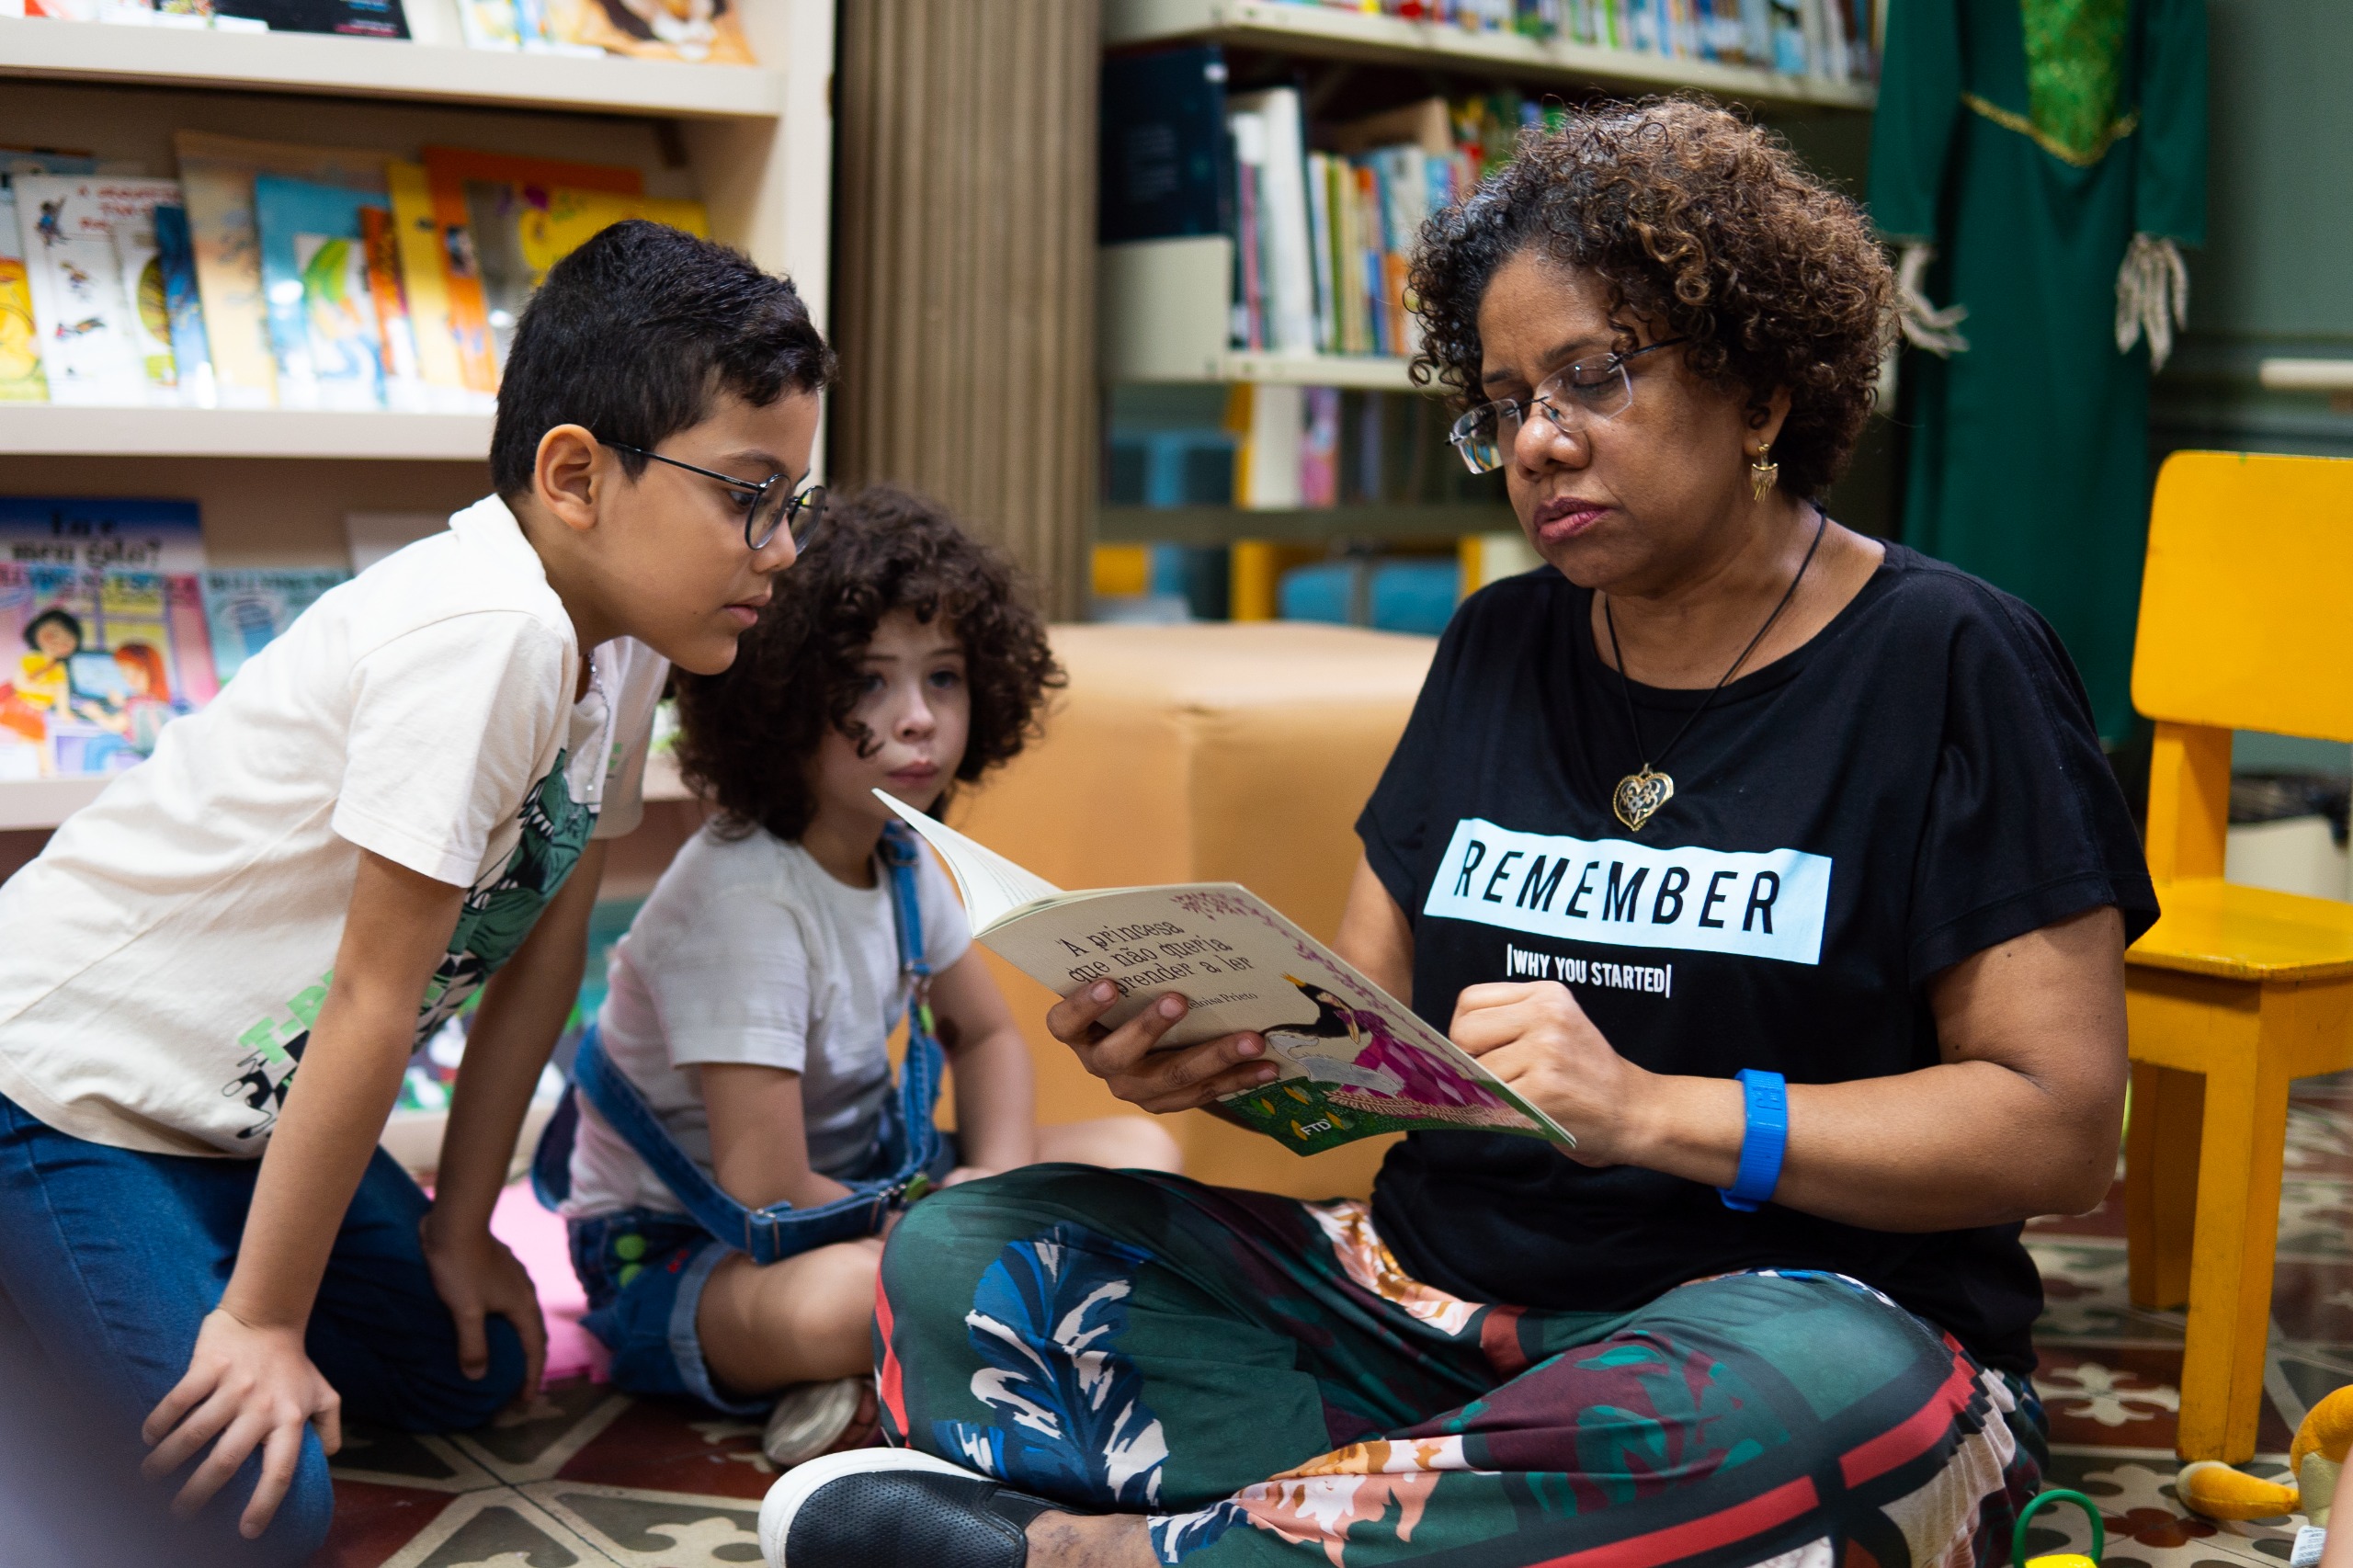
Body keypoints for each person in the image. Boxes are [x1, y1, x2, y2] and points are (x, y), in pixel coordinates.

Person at [760, 100, 2159, 1568]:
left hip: (1781, 1325)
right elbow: (1374, 1064)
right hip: (1422, 1312)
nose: (1540, 441)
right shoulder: (1497, 645)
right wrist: (1216, 1062)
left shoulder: (1950, 656)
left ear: (1758, 392)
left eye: (1593, 377)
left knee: (1825, 1412)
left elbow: (2057, 1127)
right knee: (964, 1253)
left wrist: (1655, 1110)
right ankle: (1397, 1523)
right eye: (1502, 401)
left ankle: (1096, 1550)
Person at [0, 218, 832, 1566]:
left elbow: (543, 958)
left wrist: (457, 1225)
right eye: (748, 493)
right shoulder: (484, 630)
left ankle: (143, 1288)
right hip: (59, 1089)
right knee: (252, 1510)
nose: (779, 547)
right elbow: (380, 998)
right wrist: (262, 1325)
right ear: (576, 475)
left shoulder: (619, 652)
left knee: (477, 1363)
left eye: (793, 501)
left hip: (233, 1124)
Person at [547, 486, 1179, 1465]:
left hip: (876, 1189)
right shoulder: (743, 899)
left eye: (944, 677)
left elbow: (991, 1034)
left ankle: (900, 1362)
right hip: (690, 1249)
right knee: (848, 1294)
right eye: (870, 682)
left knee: (1141, 1150)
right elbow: (765, 1186)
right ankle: (899, 1346)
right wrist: (957, 1225)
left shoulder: (900, 852)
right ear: (784, 693)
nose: (918, 718)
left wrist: (995, 1180)